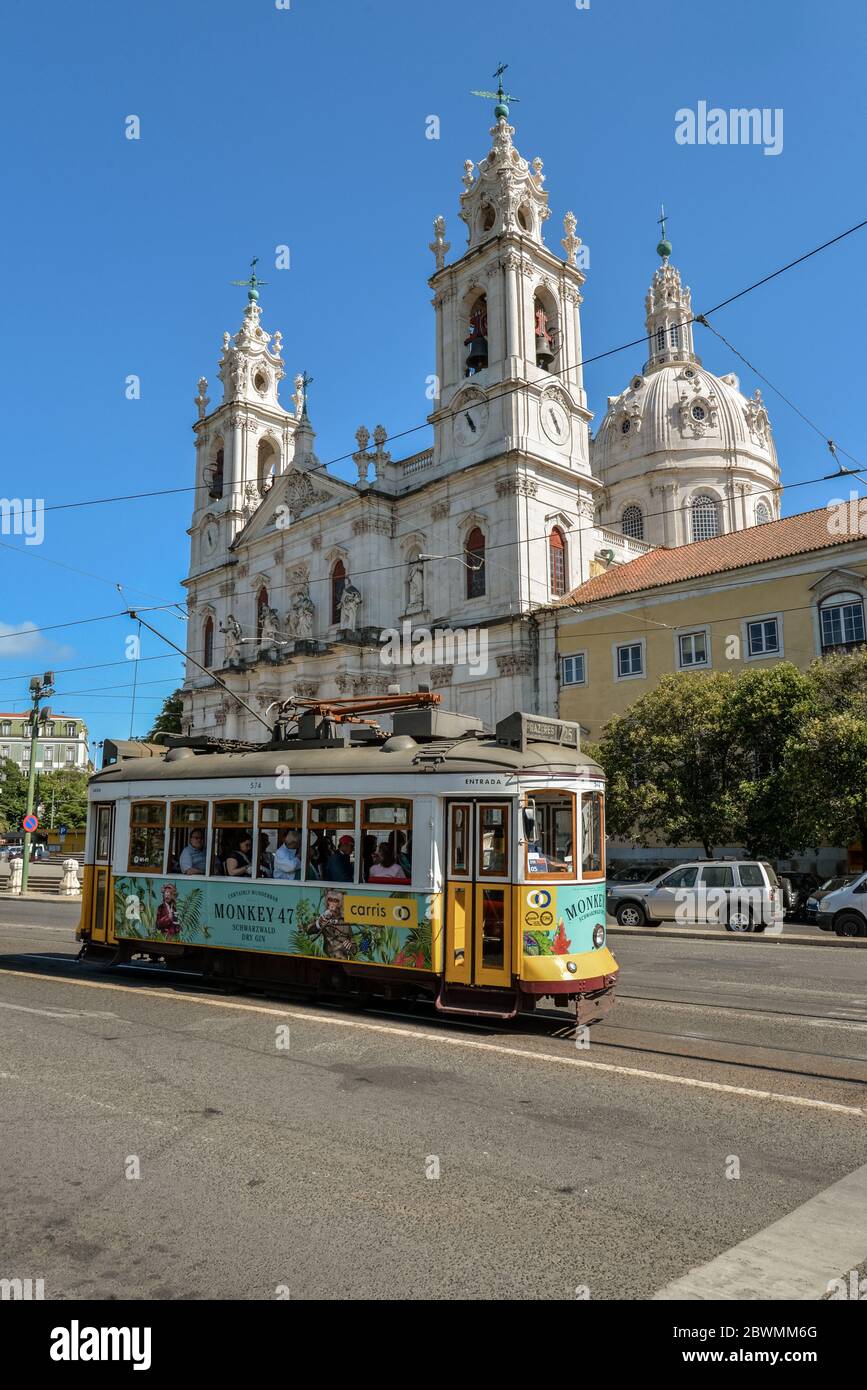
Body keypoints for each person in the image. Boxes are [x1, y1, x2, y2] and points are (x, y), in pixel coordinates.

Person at [309, 890, 356, 959]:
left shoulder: (345, 923)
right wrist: (319, 923)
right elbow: (308, 930)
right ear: (326, 902)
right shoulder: (322, 918)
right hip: (327, 959)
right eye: (330, 900)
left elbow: (354, 948)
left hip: (342, 960)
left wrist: (350, 946)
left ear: (340, 904)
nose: (332, 904)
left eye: (335, 901)